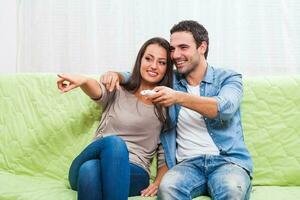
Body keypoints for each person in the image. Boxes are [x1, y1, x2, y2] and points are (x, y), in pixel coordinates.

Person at [101, 20, 253, 200]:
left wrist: (178, 97)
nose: (176, 55)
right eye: (173, 49)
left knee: (231, 190)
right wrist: (117, 75)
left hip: (227, 162)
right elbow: (142, 74)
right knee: (168, 190)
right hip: (186, 165)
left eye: (183, 47)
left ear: (202, 47)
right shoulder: (169, 80)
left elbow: (224, 109)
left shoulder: (228, 78)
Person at [56, 37, 173, 200]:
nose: (153, 66)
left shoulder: (166, 106)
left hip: (134, 171)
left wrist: (159, 181)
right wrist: (84, 81)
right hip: (95, 154)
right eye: (148, 59)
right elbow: (98, 91)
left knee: (90, 170)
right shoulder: (119, 89)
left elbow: (165, 152)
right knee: (113, 143)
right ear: (140, 60)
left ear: (167, 68)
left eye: (161, 62)